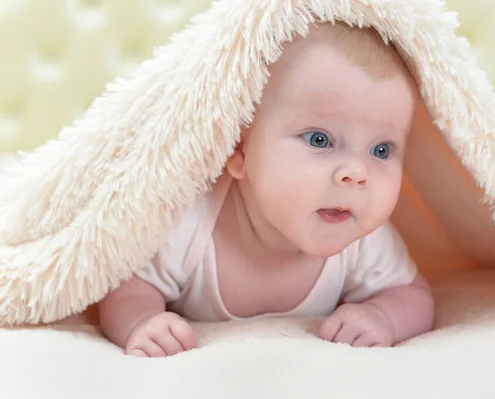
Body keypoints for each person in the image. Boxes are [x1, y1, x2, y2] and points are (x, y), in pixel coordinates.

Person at [98, 21, 435, 357]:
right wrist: (142, 321)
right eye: (320, 140)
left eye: (382, 150)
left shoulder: (361, 237)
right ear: (240, 150)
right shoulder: (189, 220)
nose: (357, 173)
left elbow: (412, 294)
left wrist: (383, 317)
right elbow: (129, 287)